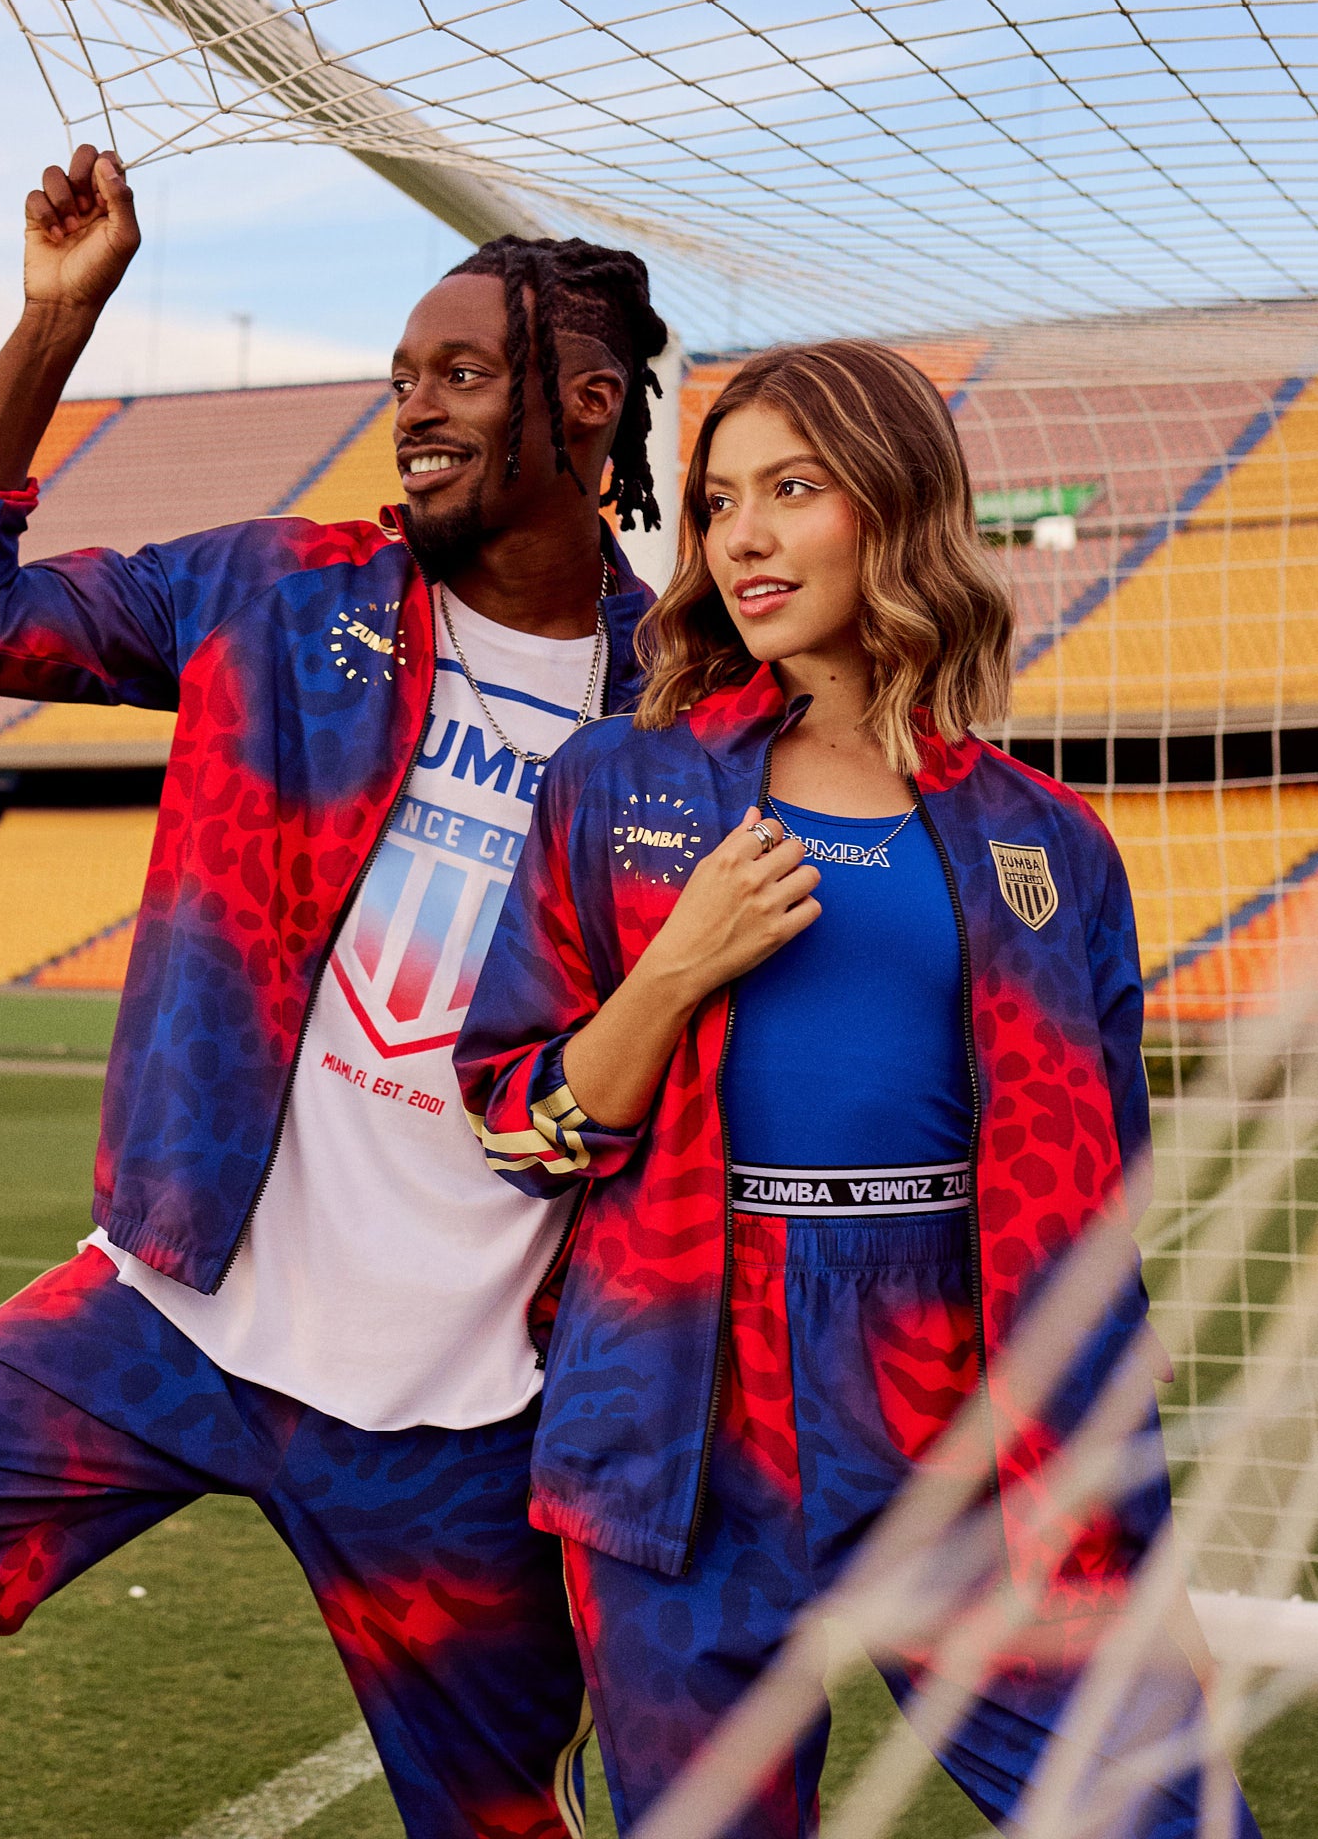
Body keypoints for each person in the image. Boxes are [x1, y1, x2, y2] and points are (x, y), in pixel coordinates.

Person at [0, 144, 672, 1839]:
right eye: (401, 377)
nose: (415, 410)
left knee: (497, 1819)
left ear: (590, 404)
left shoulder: (681, 706)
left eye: (462, 374)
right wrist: (55, 322)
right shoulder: (274, 590)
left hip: (469, 1408)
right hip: (171, 1316)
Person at [455, 341, 1261, 1837]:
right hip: (680, 1382)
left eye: (793, 488)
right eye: (717, 502)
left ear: (893, 504)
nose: (742, 537)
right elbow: (516, 1127)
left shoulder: (1050, 842)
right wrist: (672, 971)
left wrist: (1139, 1567)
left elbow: (1096, 1242)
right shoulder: (614, 785)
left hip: (960, 1387)